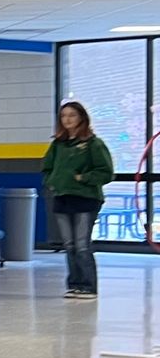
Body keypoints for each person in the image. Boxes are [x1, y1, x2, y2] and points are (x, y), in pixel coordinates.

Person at [41, 100, 113, 300]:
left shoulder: (93, 144)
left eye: (72, 115)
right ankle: (74, 285)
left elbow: (106, 172)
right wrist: (52, 182)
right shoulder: (58, 144)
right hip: (62, 198)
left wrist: (83, 178)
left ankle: (88, 286)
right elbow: (47, 168)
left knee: (82, 245)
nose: (67, 119)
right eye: (64, 116)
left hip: (86, 199)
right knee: (69, 245)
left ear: (82, 117)